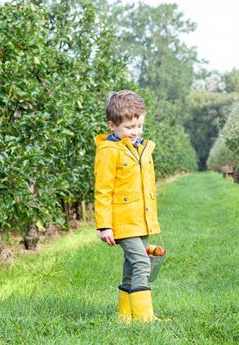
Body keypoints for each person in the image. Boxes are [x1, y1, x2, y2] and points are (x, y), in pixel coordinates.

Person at [93, 90, 161, 322]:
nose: (135, 132)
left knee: (132, 265)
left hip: (140, 220)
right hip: (122, 221)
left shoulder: (141, 148)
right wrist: (104, 226)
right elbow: (103, 190)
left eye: (139, 126)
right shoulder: (108, 151)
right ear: (112, 126)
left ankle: (124, 315)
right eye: (129, 128)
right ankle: (144, 317)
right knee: (142, 264)